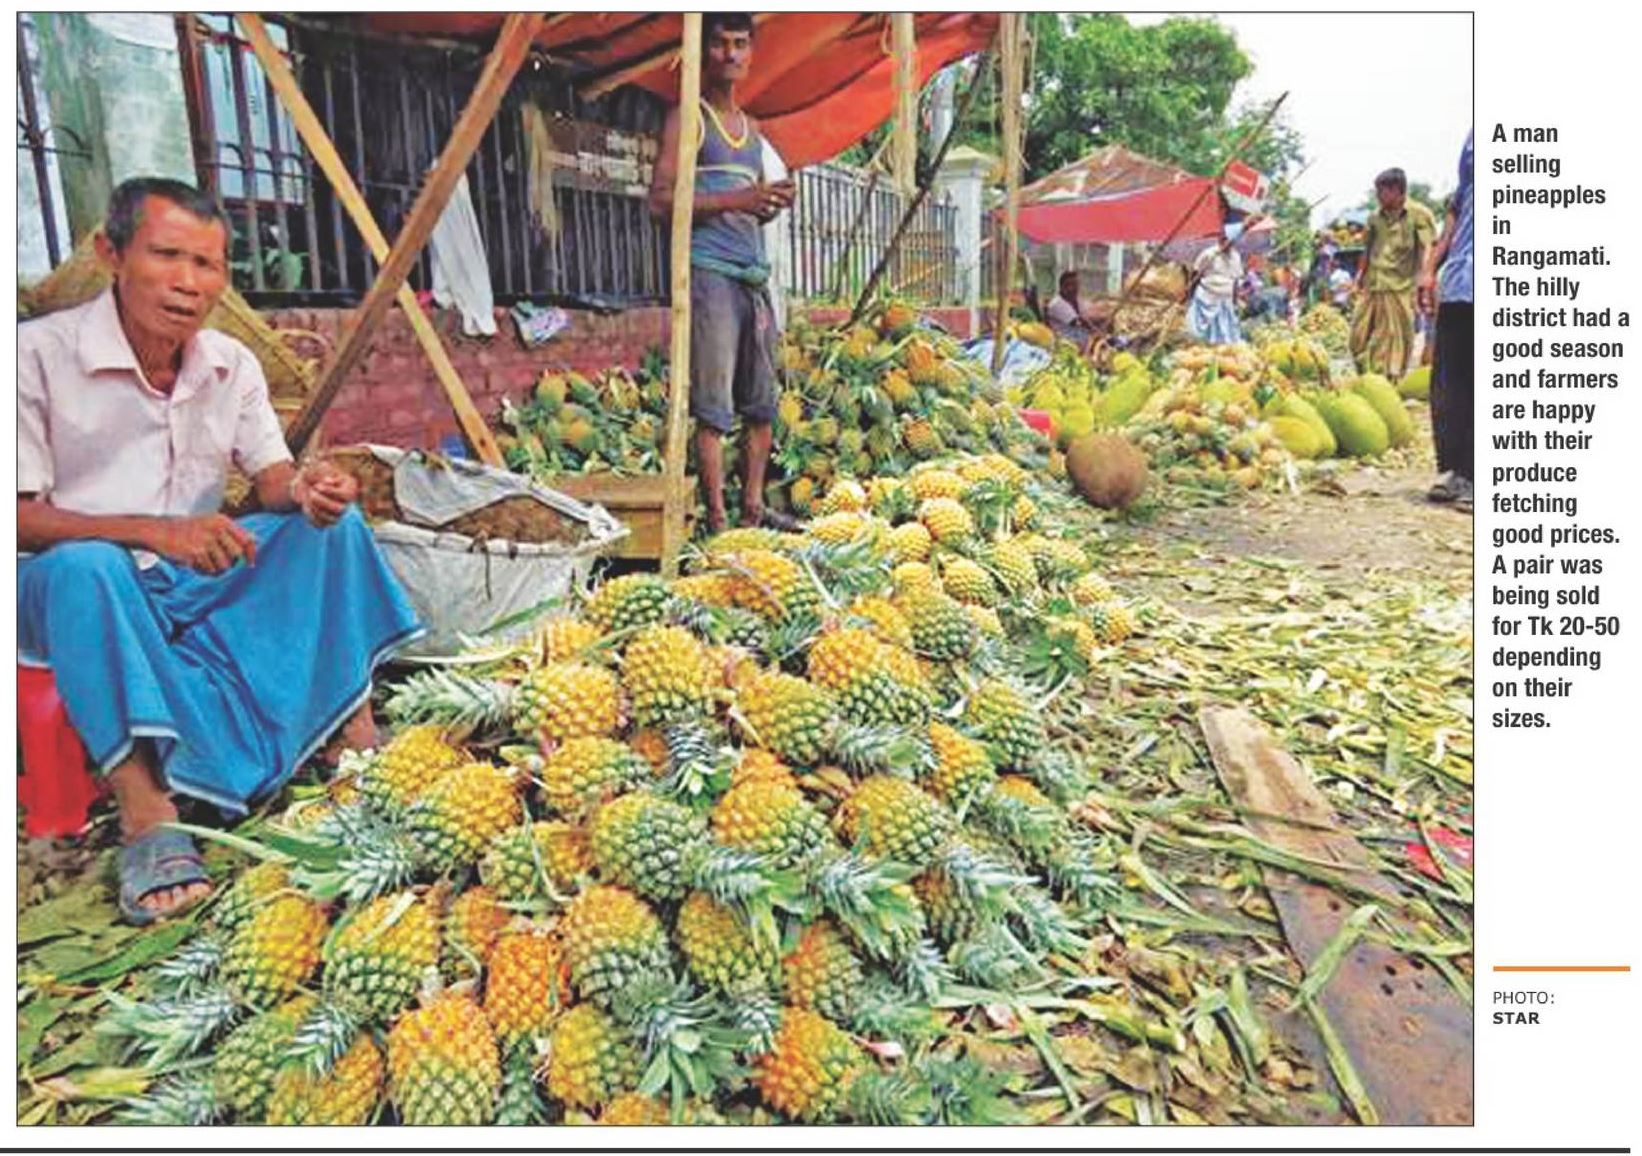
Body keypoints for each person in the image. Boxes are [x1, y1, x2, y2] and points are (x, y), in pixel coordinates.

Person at [17, 177, 424, 923]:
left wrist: (307, 489)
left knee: (330, 530)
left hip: (192, 574)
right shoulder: (34, 356)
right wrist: (153, 532)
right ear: (112, 253)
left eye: (206, 264)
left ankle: (350, 731)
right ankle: (149, 816)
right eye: (166, 255)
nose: (188, 282)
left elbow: (269, 479)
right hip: (74, 586)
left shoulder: (229, 363)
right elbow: (19, 520)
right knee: (85, 567)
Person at [649, 11, 798, 533]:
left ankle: (752, 510)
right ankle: (716, 521)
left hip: (752, 277)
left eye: (740, 44)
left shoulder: (753, 131)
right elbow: (661, 201)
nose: (730, 54)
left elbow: (746, 205)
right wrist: (742, 198)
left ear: (751, 52)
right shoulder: (687, 118)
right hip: (709, 274)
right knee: (713, 406)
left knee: (762, 403)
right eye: (719, 44)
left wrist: (769, 205)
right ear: (704, 51)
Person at [1418, 130, 1475, 511]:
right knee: (1449, 381)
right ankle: (1455, 470)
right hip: (1461, 277)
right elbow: (1458, 204)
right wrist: (1430, 267)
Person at [1349, 168, 1436, 377]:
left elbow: (1427, 247)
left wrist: (1425, 278)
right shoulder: (1374, 218)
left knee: (1395, 342)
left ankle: (1390, 380)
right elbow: (1367, 250)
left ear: (1397, 190)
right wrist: (1358, 279)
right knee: (1357, 338)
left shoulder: (1419, 215)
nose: (1378, 197)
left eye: (1382, 192)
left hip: (1400, 288)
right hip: (1373, 285)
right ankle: (1366, 376)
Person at [1185, 219, 1252, 345]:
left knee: (1224, 332)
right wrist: (1189, 294)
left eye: (1228, 240)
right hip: (1207, 297)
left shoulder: (1235, 256)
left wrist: (1236, 300)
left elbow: (1236, 280)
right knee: (1201, 333)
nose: (1225, 242)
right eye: (1223, 239)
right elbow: (1195, 273)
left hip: (1225, 299)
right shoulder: (1209, 254)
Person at [1045, 269, 1093, 342]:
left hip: (1080, 338)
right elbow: (1078, 322)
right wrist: (1093, 327)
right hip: (1065, 341)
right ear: (1063, 287)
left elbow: (1091, 312)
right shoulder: (1057, 304)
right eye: (1073, 285)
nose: (1076, 288)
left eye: (1077, 284)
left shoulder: (1076, 300)